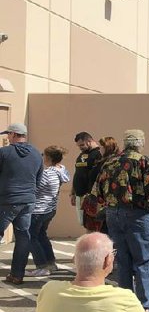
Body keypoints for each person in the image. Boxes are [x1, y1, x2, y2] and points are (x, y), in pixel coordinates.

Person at [92, 129, 149, 312]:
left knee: (122, 261)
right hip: (137, 214)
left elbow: (98, 192)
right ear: (141, 143)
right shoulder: (143, 161)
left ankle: (125, 306)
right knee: (145, 260)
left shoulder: (110, 162)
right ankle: (144, 309)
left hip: (113, 214)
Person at [3, 122, 44, 285]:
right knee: (23, 237)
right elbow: (39, 179)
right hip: (28, 200)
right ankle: (17, 274)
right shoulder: (36, 154)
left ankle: (16, 274)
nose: (7, 138)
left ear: (13, 135)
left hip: (7, 200)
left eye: (8, 135)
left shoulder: (4, 153)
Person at [23, 146, 70, 278]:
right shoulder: (61, 170)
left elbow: (35, 189)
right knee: (41, 235)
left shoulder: (47, 173)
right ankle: (50, 263)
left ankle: (42, 266)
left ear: (48, 157)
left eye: (43, 155)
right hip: (50, 209)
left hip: (39, 210)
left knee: (31, 237)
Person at [70, 132, 102, 228]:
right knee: (84, 223)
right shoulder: (81, 155)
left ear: (89, 141)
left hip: (91, 196)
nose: (80, 147)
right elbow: (77, 174)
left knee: (94, 223)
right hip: (79, 195)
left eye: (82, 145)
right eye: (79, 146)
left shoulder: (98, 154)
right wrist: (73, 193)